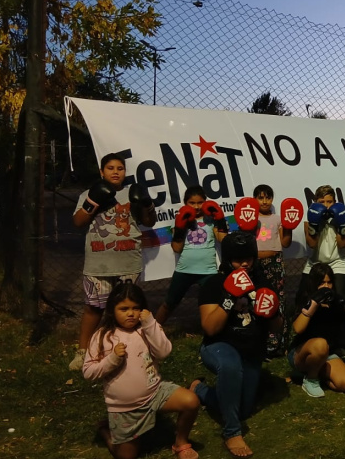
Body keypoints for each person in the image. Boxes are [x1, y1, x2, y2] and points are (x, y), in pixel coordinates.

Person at [83, 282, 200, 459]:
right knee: (126, 456)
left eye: (136, 308)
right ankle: (106, 432)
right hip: (124, 407)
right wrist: (112, 359)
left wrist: (150, 324)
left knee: (191, 401)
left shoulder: (147, 328)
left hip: (155, 393)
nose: (131, 313)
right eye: (123, 309)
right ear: (112, 310)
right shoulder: (103, 336)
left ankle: (181, 443)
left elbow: (164, 352)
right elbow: (88, 372)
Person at [193, 231, 282, 457]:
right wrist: (230, 299)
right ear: (227, 259)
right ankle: (232, 433)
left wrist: (272, 314)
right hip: (218, 345)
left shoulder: (263, 282)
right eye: (237, 259)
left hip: (251, 350)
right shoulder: (214, 283)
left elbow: (277, 328)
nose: (243, 263)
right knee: (231, 366)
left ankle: (200, 390)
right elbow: (210, 328)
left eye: (248, 258)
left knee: (241, 409)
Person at [70, 153, 157, 370]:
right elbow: (78, 222)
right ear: (102, 171)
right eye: (110, 168)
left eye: (120, 168)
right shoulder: (87, 194)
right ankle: (82, 351)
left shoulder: (132, 194)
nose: (115, 172)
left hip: (128, 262)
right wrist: (92, 201)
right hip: (98, 263)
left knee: (129, 309)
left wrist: (145, 203)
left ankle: (133, 348)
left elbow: (149, 221)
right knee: (93, 308)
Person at [155, 185, 228, 325]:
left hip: (208, 271)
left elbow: (222, 240)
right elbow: (176, 248)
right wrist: (181, 228)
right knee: (169, 303)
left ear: (205, 202)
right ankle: (152, 333)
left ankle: (213, 332)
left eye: (200, 202)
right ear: (185, 203)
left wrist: (220, 218)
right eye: (192, 203)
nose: (196, 206)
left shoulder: (211, 220)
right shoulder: (181, 219)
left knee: (212, 304)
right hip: (184, 269)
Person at [289, 263, 345, 398]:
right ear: (314, 283)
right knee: (320, 344)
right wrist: (313, 304)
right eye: (322, 282)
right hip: (302, 353)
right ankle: (310, 379)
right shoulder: (306, 299)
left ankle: (315, 372)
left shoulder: (335, 302)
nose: (326, 286)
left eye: (329, 282)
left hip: (327, 353)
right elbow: (298, 329)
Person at [252, 184, 301, 358]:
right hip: (255, 264)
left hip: (275, 262)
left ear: (272, 199)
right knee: (257, 301)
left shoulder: (278, 218)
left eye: (268, 197)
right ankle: (258, 343)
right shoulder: (250, 218)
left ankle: (280, 343)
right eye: (260, 197)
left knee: (277, 300)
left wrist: (289, 226)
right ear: (255, 199)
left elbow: (285, 243)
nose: (264, 201)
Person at [303, 185, 345, 298]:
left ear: (334, 202)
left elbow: (342, 244)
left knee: (340, 298)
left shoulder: (341, 216)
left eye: (329, 202)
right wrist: (315, 224)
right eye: (321, 202)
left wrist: (340, 225)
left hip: (338, 262)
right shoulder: (309, 218)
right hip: (315, 262)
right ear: (315, 202)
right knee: (303, 297)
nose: (325, 205)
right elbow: (312, 244)